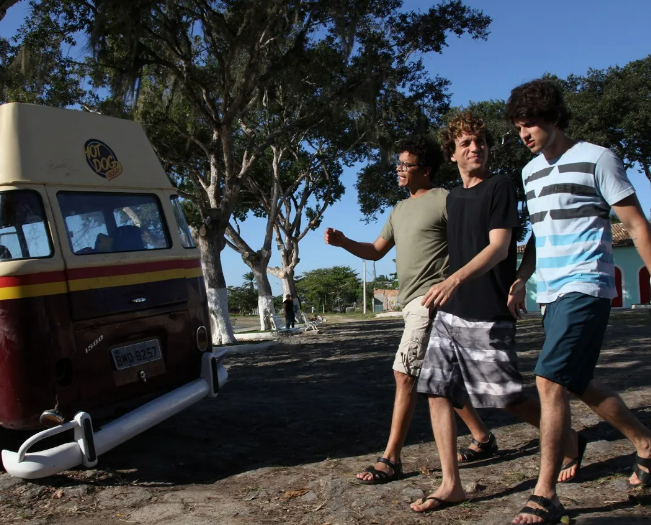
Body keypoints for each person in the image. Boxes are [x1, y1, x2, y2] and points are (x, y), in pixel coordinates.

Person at [410, 112, 581, 514]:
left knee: (505, 397)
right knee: (437, 391)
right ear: (452, 153)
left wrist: (453, 281)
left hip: (488, 309)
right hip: (450, 312)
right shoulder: (452, 196)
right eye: (466, 143)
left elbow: (499, 247)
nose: (475, 148)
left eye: (480, 142)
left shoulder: (500, 186)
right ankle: (451, 484)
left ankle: (570, 441)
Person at [505, 79, 651, 524]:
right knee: (576, 382)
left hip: (586, 284)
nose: (523, 134)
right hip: (549, 291)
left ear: (551, 117)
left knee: (548, 381)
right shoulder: (529, 173)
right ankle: (645, 443)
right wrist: (522, 277)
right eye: (517, 127)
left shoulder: (597, 158)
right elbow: (539, 231)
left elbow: (637, 224)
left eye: (529, 124)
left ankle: (545, 493)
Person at [325, 135, 497, 486]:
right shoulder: (399, 209)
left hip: (432, 301)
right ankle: (483, 438)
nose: (399, 170)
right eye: (398, 164)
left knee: (405, 374)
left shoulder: (447, 199)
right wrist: (344, 242)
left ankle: (391, 458)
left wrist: (458, 286)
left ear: (427, 170)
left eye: (406, 165)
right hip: (410, 304)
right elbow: (375, 251)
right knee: (442, 378)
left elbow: (473, 243)